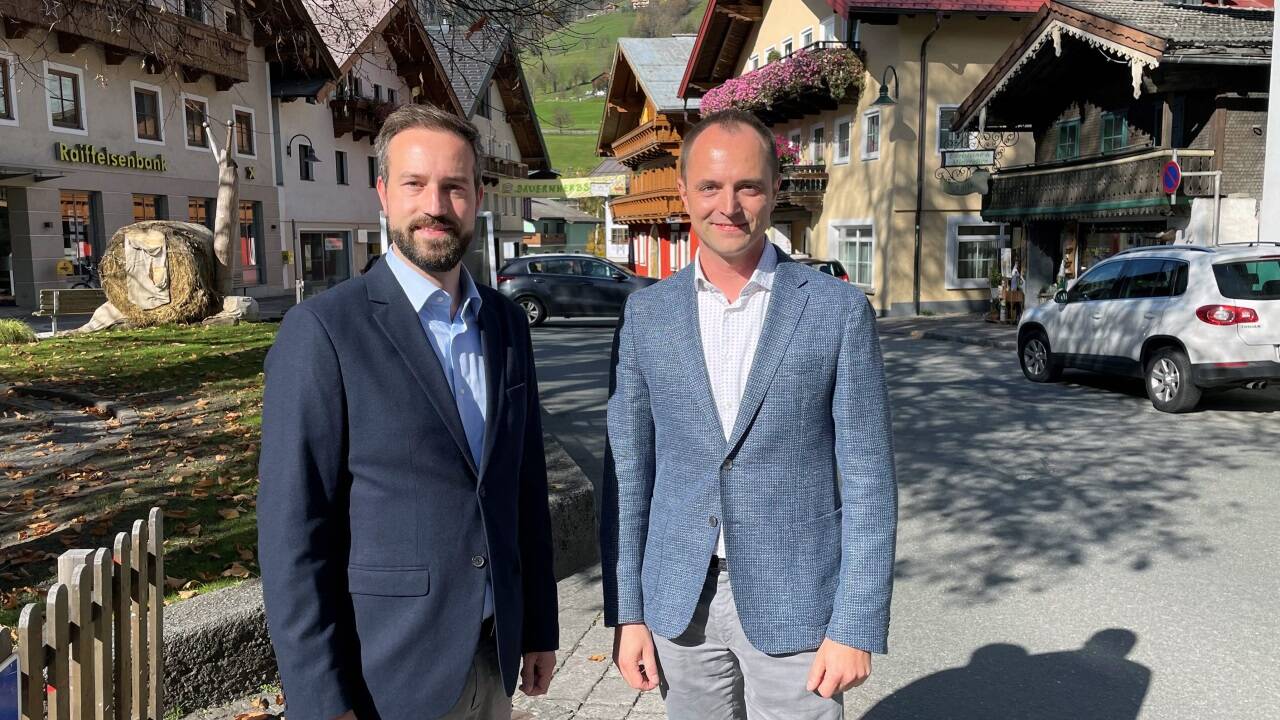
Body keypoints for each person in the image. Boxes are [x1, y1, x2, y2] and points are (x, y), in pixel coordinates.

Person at [258, 103, 558, 720]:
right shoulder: (322, 331)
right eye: (415, 184)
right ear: (383, 194)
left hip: (492, 658)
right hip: (386, 675)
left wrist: (537, 625)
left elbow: (523, 485)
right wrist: (321, 699)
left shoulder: (504, 324)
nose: (435, 205)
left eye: (453, 186)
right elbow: (293, 533)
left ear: (478, 195)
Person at [600, 108, 898, 719]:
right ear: (684, 191)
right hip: (680, 598)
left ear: (775, 191)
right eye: (710, 186)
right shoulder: (646, 317)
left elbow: (869, 479)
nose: (728, 205)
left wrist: (857, 622)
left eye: (748, 186)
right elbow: (632, 477)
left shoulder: (837, 312)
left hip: (800, 598)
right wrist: (628, 612)